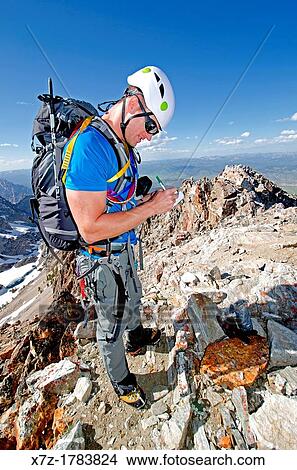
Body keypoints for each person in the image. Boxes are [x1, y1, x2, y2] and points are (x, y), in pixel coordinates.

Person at [65, 66, 176, 408]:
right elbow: (90, 227)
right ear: (133, 104)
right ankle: (121, 380)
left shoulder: (122, 145)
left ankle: (137, 335)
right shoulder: (90, 147)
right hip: (99, 256)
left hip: (123, 246)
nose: (151, 136)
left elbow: (116, 197)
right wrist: (150, 209)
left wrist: (140, 198)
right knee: (110, 323)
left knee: (134, 296)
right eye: (151, 125)